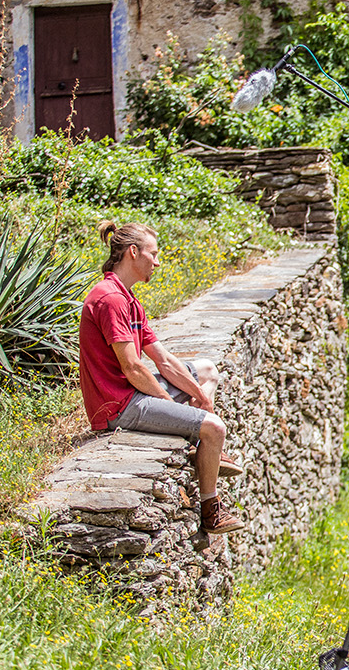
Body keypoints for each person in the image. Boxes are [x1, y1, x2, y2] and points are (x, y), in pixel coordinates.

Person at [79, 221, 245, 535]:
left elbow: (164, 360)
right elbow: (133, 369)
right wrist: (176, 406)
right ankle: (211, 509)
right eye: (153, 254)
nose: (157, 262)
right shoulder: (110, 300)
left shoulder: (126, 298)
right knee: (214, 427)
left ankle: (202, 445)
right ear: (133, 252)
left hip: (132, 393)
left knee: (208, 370)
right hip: (118, 406)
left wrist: (201, 396)